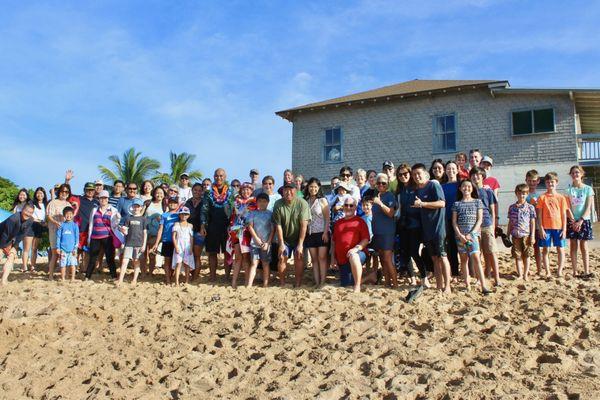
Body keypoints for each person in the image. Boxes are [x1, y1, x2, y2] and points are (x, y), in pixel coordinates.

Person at [412, 164, 452, 293]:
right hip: (427, 229)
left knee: (443, 256)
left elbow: (442, 203)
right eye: (414, 174)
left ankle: (447, 286)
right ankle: (439, 285)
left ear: (425, 174)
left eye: (419, 173)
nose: (417, 176)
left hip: (439, 228)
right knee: (434, 258)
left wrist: (423, 204)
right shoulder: (418, 190)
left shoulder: (433, 185)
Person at [451, 180, 489, 294]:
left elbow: (480, 219)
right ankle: (467, 284)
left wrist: (471, 234)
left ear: (472, 188)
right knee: (463, 260)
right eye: (464, 186)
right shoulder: (456, 204)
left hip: (473, 236)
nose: (466, 188)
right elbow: (454, 222)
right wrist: (460, 235)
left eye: (468, 186)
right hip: (460, 237)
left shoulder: (478, 202)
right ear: (460, 188)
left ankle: (484, 286)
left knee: (477, 258)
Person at [200, 168, 235, 282]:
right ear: (214, 177)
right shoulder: (208, 192)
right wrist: (203, 225)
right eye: (216, 176)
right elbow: (204, 210)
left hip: (227, 226)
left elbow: (235, 209)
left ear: (225, 177)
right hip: (212, 225)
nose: (219, 178)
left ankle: (227, 277)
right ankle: (213, 277)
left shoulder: (231, 192)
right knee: (212, 253)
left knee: (227, 253)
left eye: (221, 176)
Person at [273, 182, 310, 286]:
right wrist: (281, 244)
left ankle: (298, 283)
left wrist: (300, 244)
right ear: (283, 191)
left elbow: (304, 225)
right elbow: (278, 225)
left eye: (291, 190)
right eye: (286, 190)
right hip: (284, 238)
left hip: (299, 237)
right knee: (281, 257)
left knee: (299, 256)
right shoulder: (278, 204)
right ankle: (282, 283)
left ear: (296, 191)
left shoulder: (302, 203)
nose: (288, 192)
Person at [331, 197, 370, 293]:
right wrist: (333, 258)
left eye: (351, 205)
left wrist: (356, 249)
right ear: (343, 207)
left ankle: (357, 287)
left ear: (355, 207)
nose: (348, 207)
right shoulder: (338, 223)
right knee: (346, 283)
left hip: (358, 254)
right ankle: (371, 276)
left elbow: (366, 239)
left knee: (354, 256)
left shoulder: (360, 221)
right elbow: (333, 242)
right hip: (342, 259)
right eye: (346, 205)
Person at [470, 167, 500, 286]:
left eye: (478, 175)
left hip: (487, 224)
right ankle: (479, 278)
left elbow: (492, 208)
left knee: (492, 252)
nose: (475, 177)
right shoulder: (470, 191)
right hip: (474, 226)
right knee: (478, 253)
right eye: (473, 175)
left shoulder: (488, 191)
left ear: (482, 176)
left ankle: (497, 278)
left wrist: (493, 225)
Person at [85, 190, 123, 280]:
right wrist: (89, 239)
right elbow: (91, 224)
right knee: (93, 258)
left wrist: (118, 218)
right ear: (99, 199)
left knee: (110, 257)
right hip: (95, 236)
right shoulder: (94, 210)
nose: (103, 200)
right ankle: (87, 276)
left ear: (108, 199)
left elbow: (114, 225)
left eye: (105, 198)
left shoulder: (113, 210)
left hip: (108, 236)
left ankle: (113, 276)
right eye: (101, 198)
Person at [536, 172, 569, 277]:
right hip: (546, 228)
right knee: (546, 250)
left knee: (560, 249)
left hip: (558, 227)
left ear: (556, 183)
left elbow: (564, 214)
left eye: (552, 182)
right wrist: (541, 228)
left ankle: (559, 271)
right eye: (548, 182)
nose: (550, 184)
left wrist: (564, 230)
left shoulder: (561, 198)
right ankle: (548, 272)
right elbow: (539, 215)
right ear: (545, 183)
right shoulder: (542, 197)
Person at [565, 165, 595, 278]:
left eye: (577, 172)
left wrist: (581, 220)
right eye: (572, 173)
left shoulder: (588, 189)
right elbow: (567, 207)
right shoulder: (568, 190)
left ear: (581, 174)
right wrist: (573, 221)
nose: (575, 174)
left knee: (584, 245)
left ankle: (586, 271)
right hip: (572, 220)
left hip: (584, 220)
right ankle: (575, 271)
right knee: (573, 246)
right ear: (570, 175)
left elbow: (588, 207)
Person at [371, 173, 398, 287]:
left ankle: (395, 285)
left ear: (387, 184)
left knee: (387, 259)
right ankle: (387, 282)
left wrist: (380, 204)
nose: (381, 185)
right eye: (379, 183)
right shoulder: (376, 196)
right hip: (377, 232)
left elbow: (391, 213)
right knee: (382, 258)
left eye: (383, 183)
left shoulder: (390, 196)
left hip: (387, 232)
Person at [303, 178, 330, 286]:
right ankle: (317, 282)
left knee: (322, 258)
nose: (313, 189)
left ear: (318, 188)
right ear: (308, 187)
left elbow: (327, 218)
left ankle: (322, 282)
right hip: (310, 233)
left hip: (321, 233)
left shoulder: (322, 200)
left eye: (315, 186)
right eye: (311, 186)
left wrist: (325, 232)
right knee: (314, 260)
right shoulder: (306, 201)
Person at [507, 184, 536, 281]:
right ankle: (520, 274)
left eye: (524, 193)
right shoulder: (511, 207)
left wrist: (532, 235)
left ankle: (525, 274)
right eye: (519, 193)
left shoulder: (530, 207)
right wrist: (507, 234)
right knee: (517, 255)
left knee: (527, 255)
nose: (521, 195)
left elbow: (532, 222)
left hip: (526, 235)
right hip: (515, 235)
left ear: (527, 194)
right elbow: (510, 222)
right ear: (516, 194)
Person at [230, 183, 256, 289]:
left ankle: (246, 281)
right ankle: (234, 282)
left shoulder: (254, 203)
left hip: (247, 233)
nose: (246, 192)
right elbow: (232, 216)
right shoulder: (236, 203)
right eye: (244, 190)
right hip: (236, 232)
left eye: (248, 190)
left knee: (246, 258)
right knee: (237, 258)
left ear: (251, 191)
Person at [1, 203, 34, 285]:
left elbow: (22, 235)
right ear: (22, 210)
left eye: (30, 212)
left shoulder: (30, 220)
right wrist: (5, 248)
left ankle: (3, 280)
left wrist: (15, 246)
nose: (28, 214)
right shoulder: (13, 219)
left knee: (11, 257)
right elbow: (5, 235)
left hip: (10, 239)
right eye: (26, 211)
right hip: (2, 236)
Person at [117, 198, 147, 286]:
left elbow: (145, 233)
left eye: (138, 206)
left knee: (136, 261)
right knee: (124, 261)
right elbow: (125, 231)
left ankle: (134, 279)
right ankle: (120, 279)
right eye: (135, 206)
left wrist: (144, 245)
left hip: (139, 244)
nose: (136, 208)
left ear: (141, 207)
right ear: (132, 207)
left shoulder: (143, 219)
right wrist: (122, 230)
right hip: (128, 243)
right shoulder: (128, 218)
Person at [246, 193, 274, 288]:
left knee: (265, 263)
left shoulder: (271, 214)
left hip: (266, 244)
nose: (262, 203)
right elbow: (250, 226)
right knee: (254, 263)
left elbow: (273, 230)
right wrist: (256, 239)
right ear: (256, 202)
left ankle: (265, 284)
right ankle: (249, 284)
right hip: (254, 243)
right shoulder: (252, 213)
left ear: (268, 202)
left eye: (264, 201)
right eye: (260, 201)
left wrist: (268, 243)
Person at [153, 197, 181, 284]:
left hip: (177, 241)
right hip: (166, 240)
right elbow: (160, 229)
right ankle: (167, 279)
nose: (173, 204)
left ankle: (171, 276)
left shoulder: (180, 215)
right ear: (167, 204)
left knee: (175, 260)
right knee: (167, 260)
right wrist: (157, 243)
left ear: (177, 204)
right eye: (171, 202)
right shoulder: (164, 215)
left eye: (175, 203)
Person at [47, 184, 72, 279]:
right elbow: (48, 215)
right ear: (59, 192)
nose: (64, 193)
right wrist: (56, 222)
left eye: (66, 192)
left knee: (64, 254)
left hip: (65, 233)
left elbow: (70, 218)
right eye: (62, 191)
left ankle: (64, 276)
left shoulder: (68, 204)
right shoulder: (53, 202)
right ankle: (50, 275)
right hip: (54, 230)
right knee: (55, 254)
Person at [442, 161, 460, 278]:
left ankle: (470, 271)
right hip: (447, 218)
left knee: (465, 245)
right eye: (448, 168)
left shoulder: (461, 184)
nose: (451, 171)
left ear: (457, 170)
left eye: (453, 168)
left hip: (461, 218)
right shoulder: (442, 186)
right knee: (451, 245)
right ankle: (454, 271)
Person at [76, 182, 99, 272]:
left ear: (94, 191)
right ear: (84, 190)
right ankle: (76, 268)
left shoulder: (97, 202)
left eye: (92, 190)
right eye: (88, 190)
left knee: (87, 251)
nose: (90, 192)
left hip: (92, 230)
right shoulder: (79, 199)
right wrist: (67, 181)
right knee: (78, 250)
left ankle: (84, 269)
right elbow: (68, 194)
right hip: (80, 229)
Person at [143, 186, 166, 275]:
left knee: (152, 255)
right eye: (157, 192)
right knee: (142, 254)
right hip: (145, 231)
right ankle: (143, 272)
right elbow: (141, 215)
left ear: (164, 195)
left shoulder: (165, 206)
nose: (159, 194)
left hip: (156, 233)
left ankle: (150, 272)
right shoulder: (148, 203)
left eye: (161, 193)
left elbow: (165, 220)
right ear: (154, 193)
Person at [185, 183, 204, 280]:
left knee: (197, 255)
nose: (197, 192)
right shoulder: (187, 202)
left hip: (199, 232)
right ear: (192, 191)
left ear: (202, 192)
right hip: (187, 231)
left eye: (200, 190)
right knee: (189, 254)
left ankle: (195, 277)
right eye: (195, 190)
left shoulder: (205, 202)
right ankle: (190, 275)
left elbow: (207, 217)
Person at [525, 169, 542, 275]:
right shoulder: (523, 194)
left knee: (537, 248)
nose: (532, 183)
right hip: (525, 225)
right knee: (526, 248)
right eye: (529, 181)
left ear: (538, 181)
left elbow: (540, 212)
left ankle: (539, 269)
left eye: (534, 181)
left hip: (536, 225)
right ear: (526, 180)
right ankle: (526, 270)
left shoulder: (540, 196)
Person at [172, 207, 195, 285]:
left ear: (188, 215)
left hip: (187, 246)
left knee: (187, 264)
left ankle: (187, 281)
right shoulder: (176, 224)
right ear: (179, 215)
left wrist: (191, 248)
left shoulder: (190, 225)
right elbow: (174, 236)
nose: (184, 216)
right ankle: (176, 282)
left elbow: (191, 238)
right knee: (178, 263)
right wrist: (176, 247)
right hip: (179, 245)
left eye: (186, 214)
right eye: (182, 214)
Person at [55, 206, 79, 282]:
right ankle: (63, 278)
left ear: (73, 215)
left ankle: (72, 278)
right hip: (63, 249)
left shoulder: (75, 225)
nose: (68, 216)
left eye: (70, 214)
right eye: (67, 214)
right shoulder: (61, 225)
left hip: (72, 250)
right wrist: (58, 248)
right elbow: (58, 237)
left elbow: (77, 238)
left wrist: (75, 248)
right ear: (64, 215)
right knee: (63, 265)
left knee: (72, 265)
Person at [27, 187, 48, 271]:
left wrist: (45, 223)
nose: (40, 195)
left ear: (44, 195)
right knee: (32, 248)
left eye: (41, 193)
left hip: (42, 225)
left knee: (36, 247)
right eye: (38, 193)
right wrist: (37, 220)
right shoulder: (32, 203)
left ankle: (34, 264)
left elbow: (48, 215)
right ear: (35, 194)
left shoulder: (46, 204)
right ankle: (32, 266)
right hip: (33, 225)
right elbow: (29, 214)